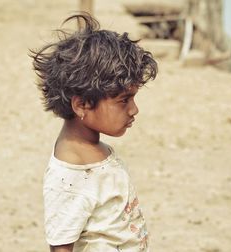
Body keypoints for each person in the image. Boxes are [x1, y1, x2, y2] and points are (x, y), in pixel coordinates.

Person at [30, 13, 158, 252]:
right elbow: (61, 247)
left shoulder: (94, 151)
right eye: (124, 100)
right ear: (82, 105)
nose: (134, 110)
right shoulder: (70, 174)